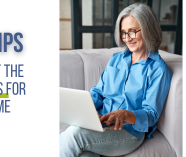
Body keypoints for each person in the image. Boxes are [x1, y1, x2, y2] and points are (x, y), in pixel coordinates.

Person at [59, 3, 173, 157]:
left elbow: (151, 115)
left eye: (132, 32)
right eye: (123, 32)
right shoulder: (116, 59)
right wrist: (86, 109)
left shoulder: (159, 70)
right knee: (84, 154)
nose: (127, 38)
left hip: (128, 131)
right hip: (101, 123)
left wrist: (125, 114)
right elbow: (98, 92)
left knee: (74, 134)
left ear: (148, 30)